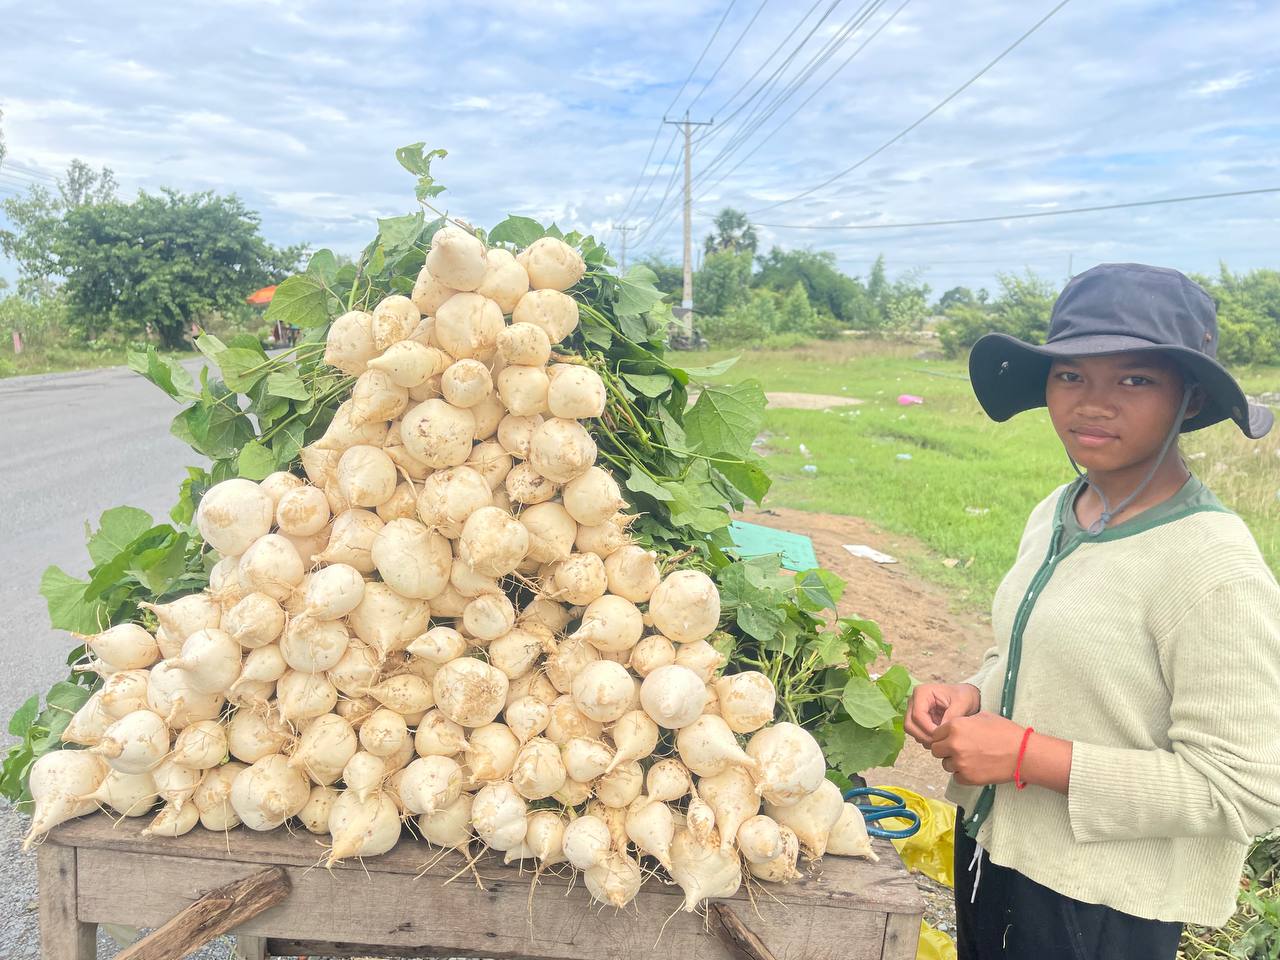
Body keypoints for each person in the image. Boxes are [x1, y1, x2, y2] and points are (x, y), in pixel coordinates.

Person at [904, 263, 1280, 959]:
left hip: (1100, 902)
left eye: (1134, 379)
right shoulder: (1060, 510)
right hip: (997, 850)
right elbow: (1032, 652)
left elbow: (1246, 788)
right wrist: (970, 692)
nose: (1092, 403)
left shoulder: (1212, 566)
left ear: (1190, 400)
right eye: (1071, 375)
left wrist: (1024, 755)